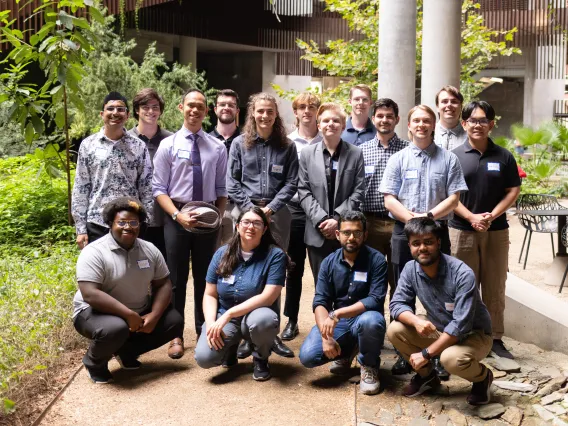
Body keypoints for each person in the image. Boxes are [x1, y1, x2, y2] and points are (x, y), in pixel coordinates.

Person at [379, 104, 468, 377]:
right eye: (416, 120)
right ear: (409, 125)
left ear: (434, 124)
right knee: (399, 290)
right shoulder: (398, 159)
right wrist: (411, 221)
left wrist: (428, 217)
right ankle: (404, 351)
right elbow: (389, 198)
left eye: (426, 120)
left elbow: (455, 197)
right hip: (403, 232)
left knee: (443, 290)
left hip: (437, 231)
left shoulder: (449, 159)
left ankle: (439, 352)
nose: (421, 124)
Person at [72, 197, 183, 384]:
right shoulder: (94, 252)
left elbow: (163, 283)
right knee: (116, 328)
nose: (128, 227)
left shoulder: (149, 249)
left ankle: (126, 352)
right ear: (110, 224)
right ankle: (94, 362)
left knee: (174, 321)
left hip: (137, 311)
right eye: (121, 222)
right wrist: (128, 314)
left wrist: (154, 315)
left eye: (133, 222)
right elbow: (90, 293)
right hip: (94, 313)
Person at [152, 88, 228, 359]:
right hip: (177, 216)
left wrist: (217, 220)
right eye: (190, 105)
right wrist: (177, 216)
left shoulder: (217, 147)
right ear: (180, 108)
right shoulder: (168, 145)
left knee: (205, 278)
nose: (195, 110)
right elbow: (159, 189)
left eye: (201, 107)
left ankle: (202, 331)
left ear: (207, 112)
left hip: (208, 218)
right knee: (175, 278)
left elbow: (221, 189)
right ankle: (175, 334)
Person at [388, 218, 493, 405]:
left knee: (450, 359)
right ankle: (427, 376)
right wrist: (416, 321)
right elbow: (397, 304)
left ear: (438, 242)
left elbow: (460, 325)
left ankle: (482, 377)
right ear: (409, 246)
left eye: (428, 242)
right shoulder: (410, 269)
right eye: (416, 243)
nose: (422, 248)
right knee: (395, 330)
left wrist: (426, 353)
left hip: (474, 335)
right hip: (441, 330)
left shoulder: (462, 273)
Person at [227, 92, 298, 358]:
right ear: (252, 113)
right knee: (246, 272)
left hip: (277, 215)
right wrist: (252, 209)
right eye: (260, 111)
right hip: (245, 212)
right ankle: (247, 334)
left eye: (270, 111)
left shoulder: (287, 146)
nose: (265, 116)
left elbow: (292, 182)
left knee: (274, 272)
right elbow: (231, 182)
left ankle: (272, 334)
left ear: (275, 114)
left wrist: (270, 209)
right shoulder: (238, 144)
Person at [450, 101, 521, 359]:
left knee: (494, 285)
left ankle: (495, 338)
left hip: (496, 230)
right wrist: (471, 218)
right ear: (464, 124)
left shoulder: (504, 156)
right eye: (472, 120)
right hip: (461, 231)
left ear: (491, 124)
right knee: (464, 286)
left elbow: (513, 189)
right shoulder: (454, 156)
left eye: (483, 120)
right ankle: (465, 334)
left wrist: (494, 214)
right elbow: (449, 195)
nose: (477, 125)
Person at [194, 207, 289, 381]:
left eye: (257, 223)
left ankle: (260, 357)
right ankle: (230, 347)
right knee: (204, 358)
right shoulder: (221, 253)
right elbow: (210, 294)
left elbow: (267, 297)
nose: (250, 227)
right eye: (246, 222)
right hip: (225, 316)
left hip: (256, 315)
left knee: (264, 322)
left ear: (265, 229)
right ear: (237, 226)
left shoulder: (275, 255)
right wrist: (211, 324)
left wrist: (229, 314)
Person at [299, 211, 388, 395]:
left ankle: (369, 366)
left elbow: (375, 299)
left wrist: (337, 313)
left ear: (365, 235)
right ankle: (346, 352)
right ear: (338, 234)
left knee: (371, 322)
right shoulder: (328, 263)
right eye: (346, 232)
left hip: (365, 317)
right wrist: (326, 337)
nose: (352, 237)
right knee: (308, 356)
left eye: (357, 232)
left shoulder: (377, 260)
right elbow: (320, 301)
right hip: (340, 324)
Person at [72, 91, 153, 249]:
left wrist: (145, 221)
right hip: (97, 221)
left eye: (120, 109)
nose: (115, 113)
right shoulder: (88, 145)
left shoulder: (138, 146)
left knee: (128, 270)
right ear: (102, 114)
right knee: (99, 272)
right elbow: (81, 187)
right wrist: (80, 229)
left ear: (127, 115)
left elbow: (146, 187)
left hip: (129, 223)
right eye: (110, 109)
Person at [298, 102, 365, 284]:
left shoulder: (356, 154)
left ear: (343, 125)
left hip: (346, 230)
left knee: (345, 283)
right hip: (317, 231)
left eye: (336, 120)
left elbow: (359, 190)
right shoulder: (306, 154)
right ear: (318, 125)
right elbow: (303, 190)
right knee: (322, 284)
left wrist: (337, 219)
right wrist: (321, 220)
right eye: (325, 120)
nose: (331, 124)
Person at [282, 92, 323, 341]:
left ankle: (325, 318)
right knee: (293, 267)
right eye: (302, 107)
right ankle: (292, 319)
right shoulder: (287, 143)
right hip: (295, 210)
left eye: (312, 107)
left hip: (319, 210)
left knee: (322, 267)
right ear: (295, 112)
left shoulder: (325, 140)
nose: (307, 111)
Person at [360, 98, 409, 300]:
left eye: (389, 116)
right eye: (380, 116)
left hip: (400, 223)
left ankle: (399, 324)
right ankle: (374, 325)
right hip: (370, 222)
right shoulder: (361, 151)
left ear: (397, 119)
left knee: (399, 276)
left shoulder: (408, 150)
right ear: (373, 119)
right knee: (373, 276)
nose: (385, 120)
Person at [128, 88, 173, 260]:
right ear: (137, 110)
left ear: (160, 111)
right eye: (145, 107)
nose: (150, 111)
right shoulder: (126, 139)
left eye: (155, 107)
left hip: (165, 217)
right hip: (133, 216)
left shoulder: (171, 140)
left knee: (164, 268)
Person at [210, 89, 241, 247]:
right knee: (211, 257)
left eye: (231, 105)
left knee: (236, 256)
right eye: (222, 104)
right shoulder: (206, 141)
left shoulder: (247, 141)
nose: (226, 107)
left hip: (239, 207)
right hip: (213, 206)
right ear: (215, 109)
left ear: (237, 110)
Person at [433, 85, 468, 151]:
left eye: (454, 101)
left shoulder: (470, 136)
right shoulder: (428, 134)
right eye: (444, 101)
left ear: (461, 106)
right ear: (437, 107)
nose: (449, 105)